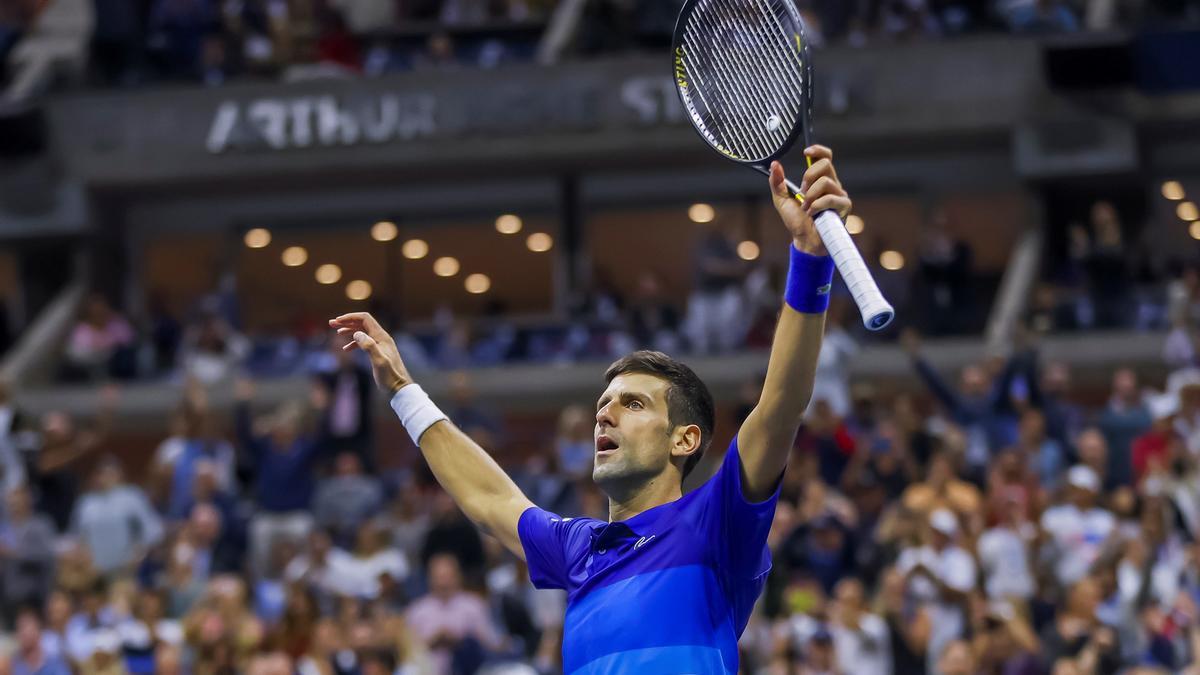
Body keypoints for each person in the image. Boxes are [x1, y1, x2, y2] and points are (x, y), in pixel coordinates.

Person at [329, 147, 852, 673]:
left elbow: (781, 404)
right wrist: (400, 387)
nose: (605, 415)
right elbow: (489, 497)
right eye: (604, 404)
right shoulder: (577, 550)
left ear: (684, 440)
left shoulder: (715, 522)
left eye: (633, 404)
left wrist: (809, 259)